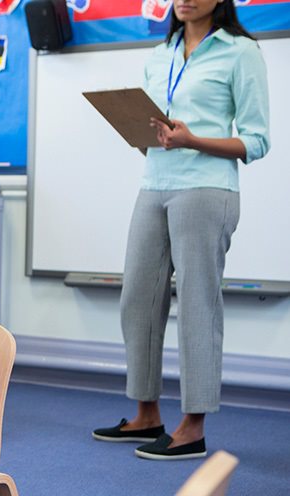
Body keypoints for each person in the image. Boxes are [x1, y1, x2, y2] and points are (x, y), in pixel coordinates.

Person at [92, 0, 270, 460]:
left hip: (207, 188)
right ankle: (146, 414)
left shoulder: (239, 52)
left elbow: (256, 140)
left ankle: (193, 426)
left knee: (196, 307)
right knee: (138, 299)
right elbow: (156, 128)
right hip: (155, 183)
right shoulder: (161, 53)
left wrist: (192, 140)